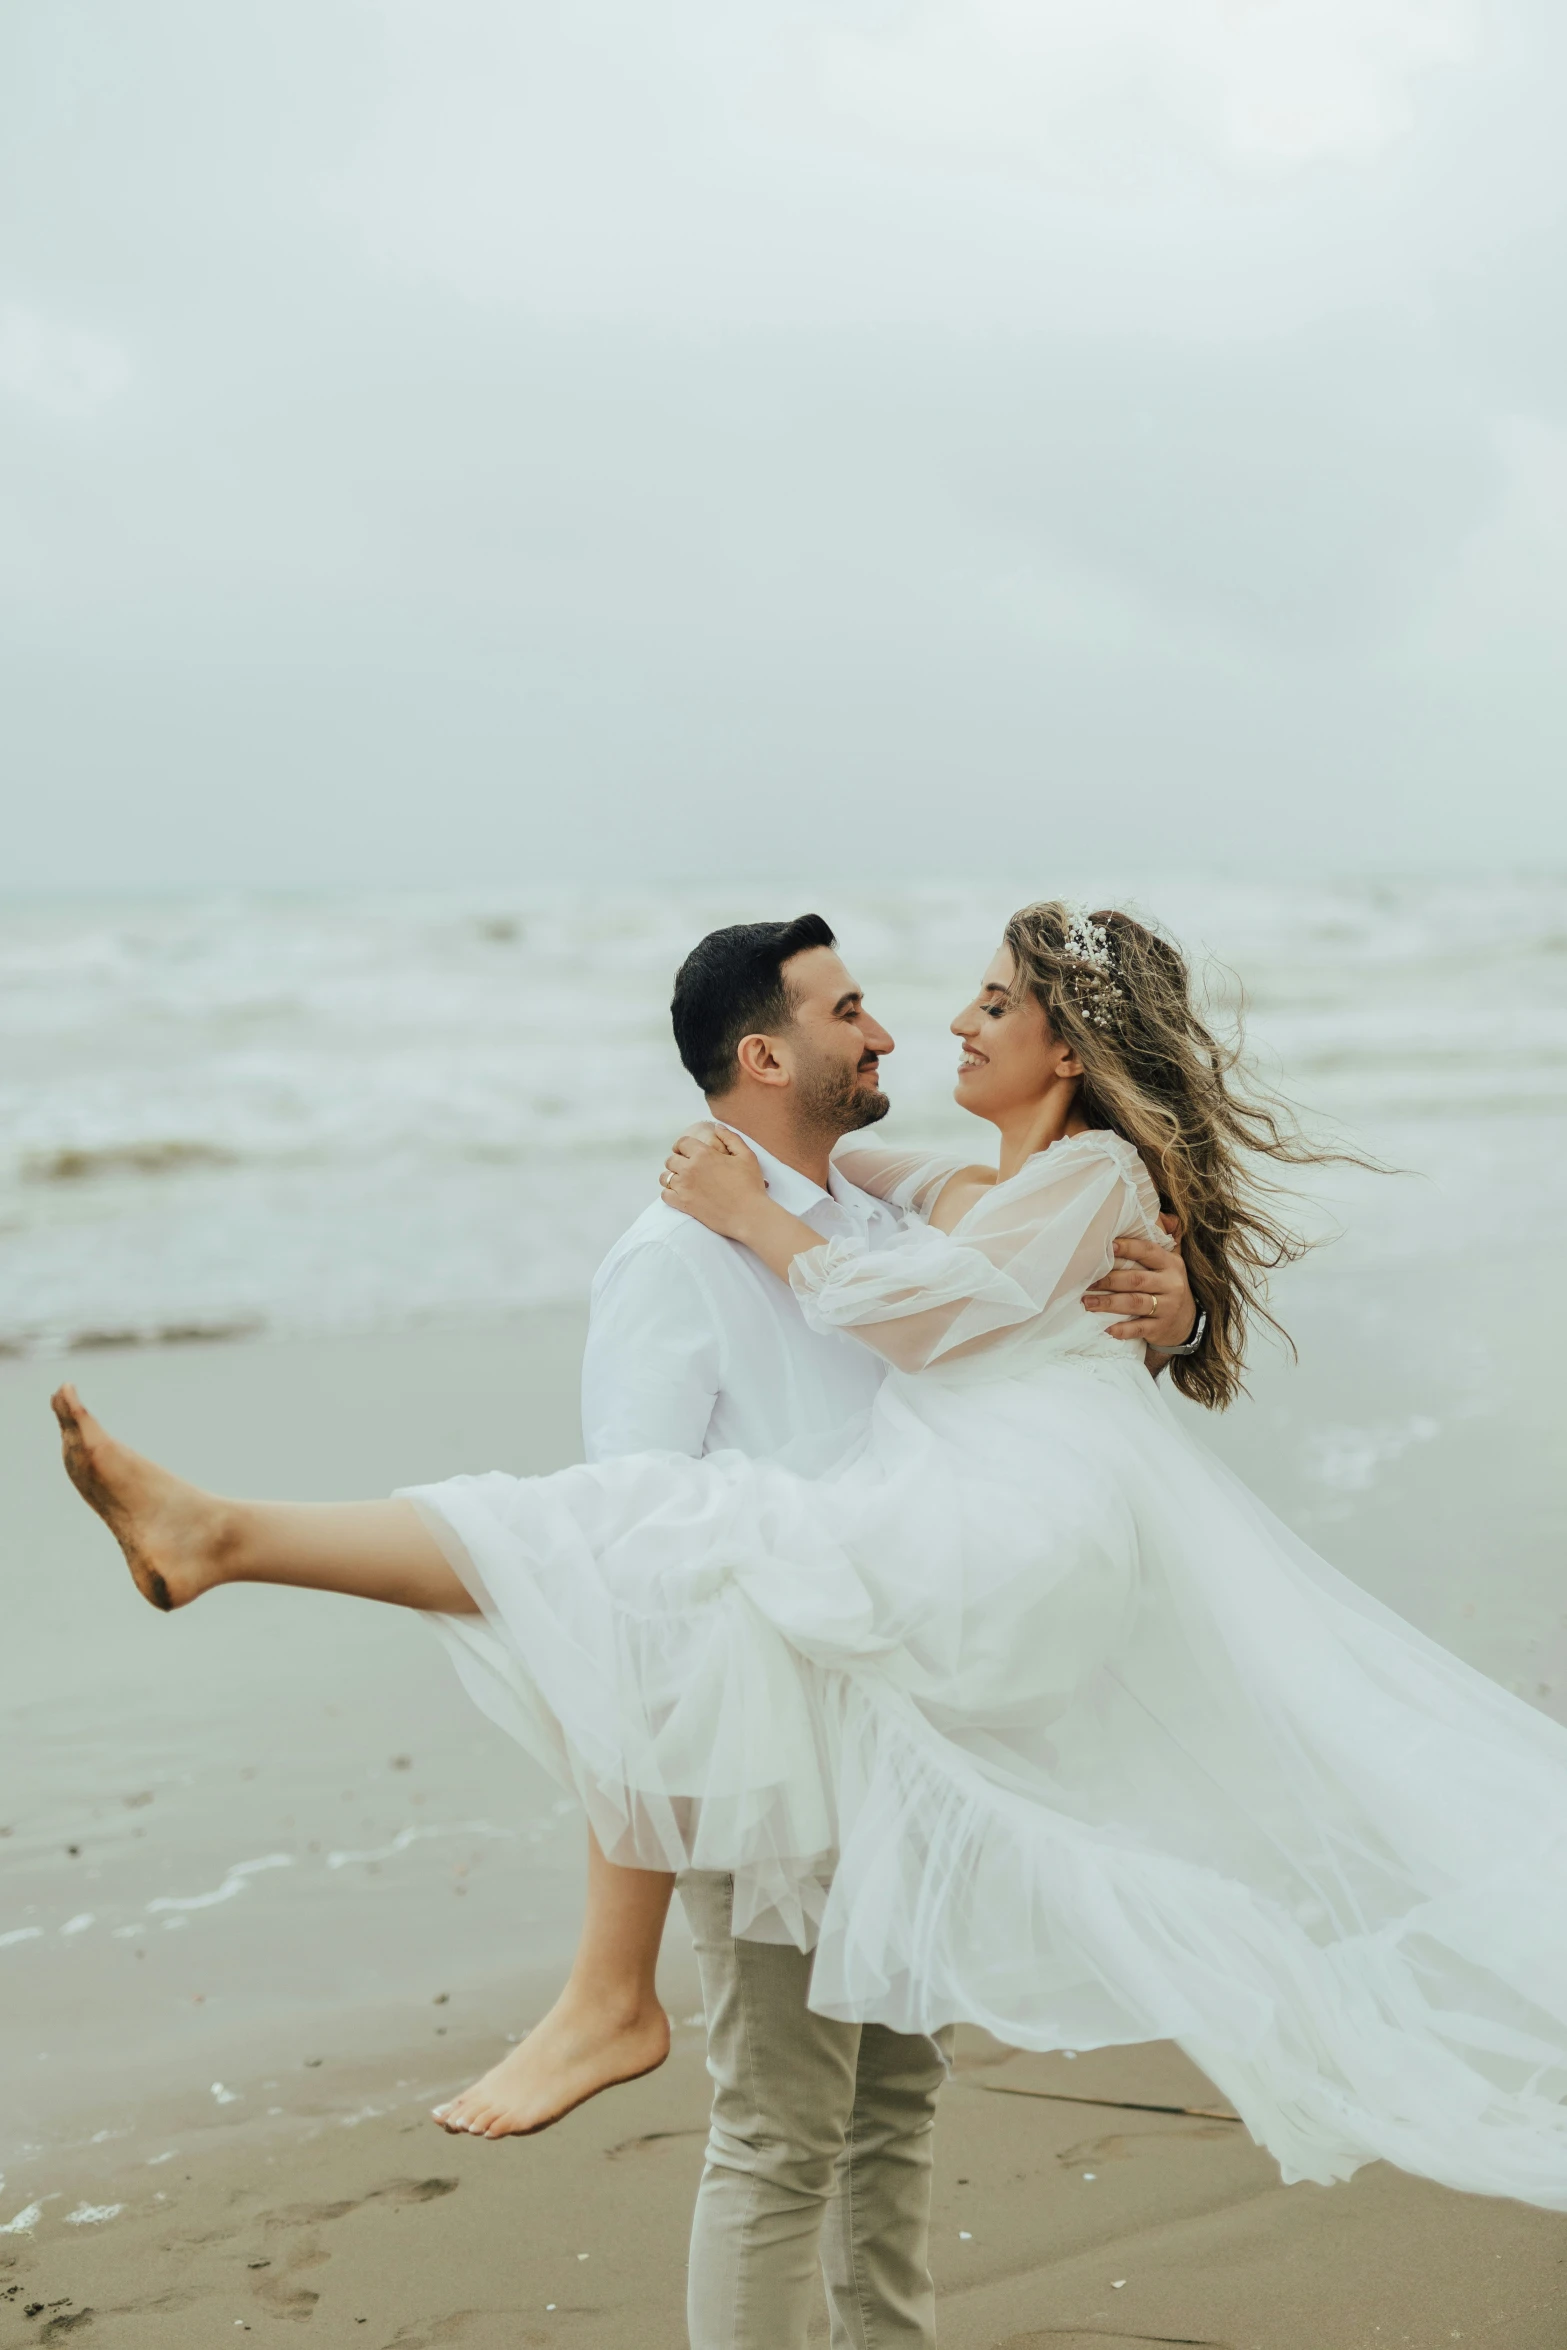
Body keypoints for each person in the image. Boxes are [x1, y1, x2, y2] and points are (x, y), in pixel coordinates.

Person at [53, 899, 1567, 2245]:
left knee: (864, 2111)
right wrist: (776, 1204)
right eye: (859, 1008)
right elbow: (620, 1550)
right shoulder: (747, 1238)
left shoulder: (933, 1202)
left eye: (982, 1001)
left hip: (940, 1621)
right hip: (812, 1721)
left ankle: (246, 1551)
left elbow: (942, 1302)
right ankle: (236, 1545)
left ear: (1065, 1046)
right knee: (799, 2112)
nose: (922, 1021)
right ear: (767, 1060)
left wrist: (1143, 1306)